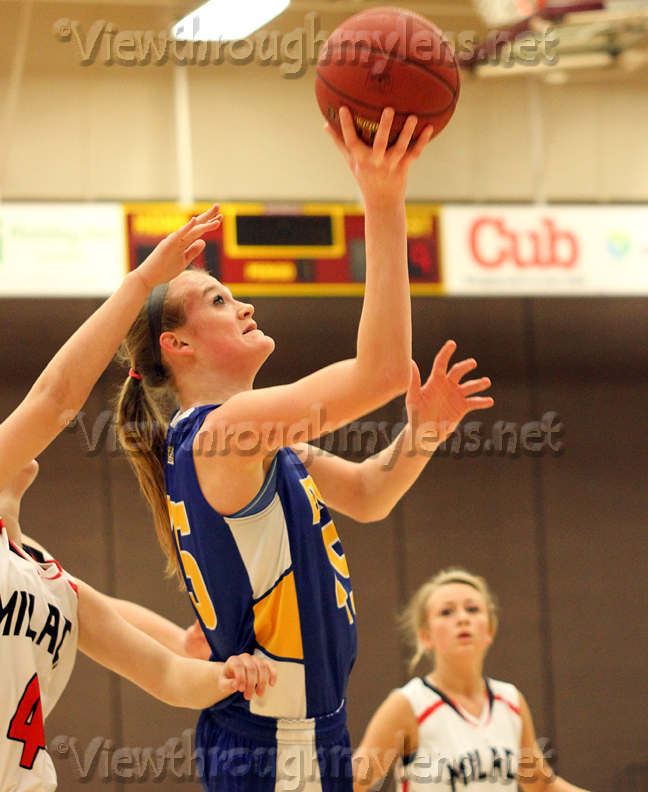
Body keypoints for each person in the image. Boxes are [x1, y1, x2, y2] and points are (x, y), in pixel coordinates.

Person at [114, 107, 494, 792]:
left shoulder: (246, 441)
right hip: (277, 736)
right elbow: (377, 373)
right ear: (180, 345)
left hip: (292, 730)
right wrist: (384, 201)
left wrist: (425, 430)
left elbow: (372, 494)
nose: (246, 306)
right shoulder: (225, 433)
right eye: (222, 301)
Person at [0, 209, 277, 792]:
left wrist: (228, 676)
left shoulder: (53, 580)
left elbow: (169, 674)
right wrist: (139, 282)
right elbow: (53, 403)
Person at [353, 569, 591, 792]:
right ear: (425, 636)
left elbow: (542, 785)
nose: (462, 619)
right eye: (446, 612)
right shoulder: (409, 704)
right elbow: (352, 783)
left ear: (489, 630)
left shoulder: (510, 701)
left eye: (473, 609)